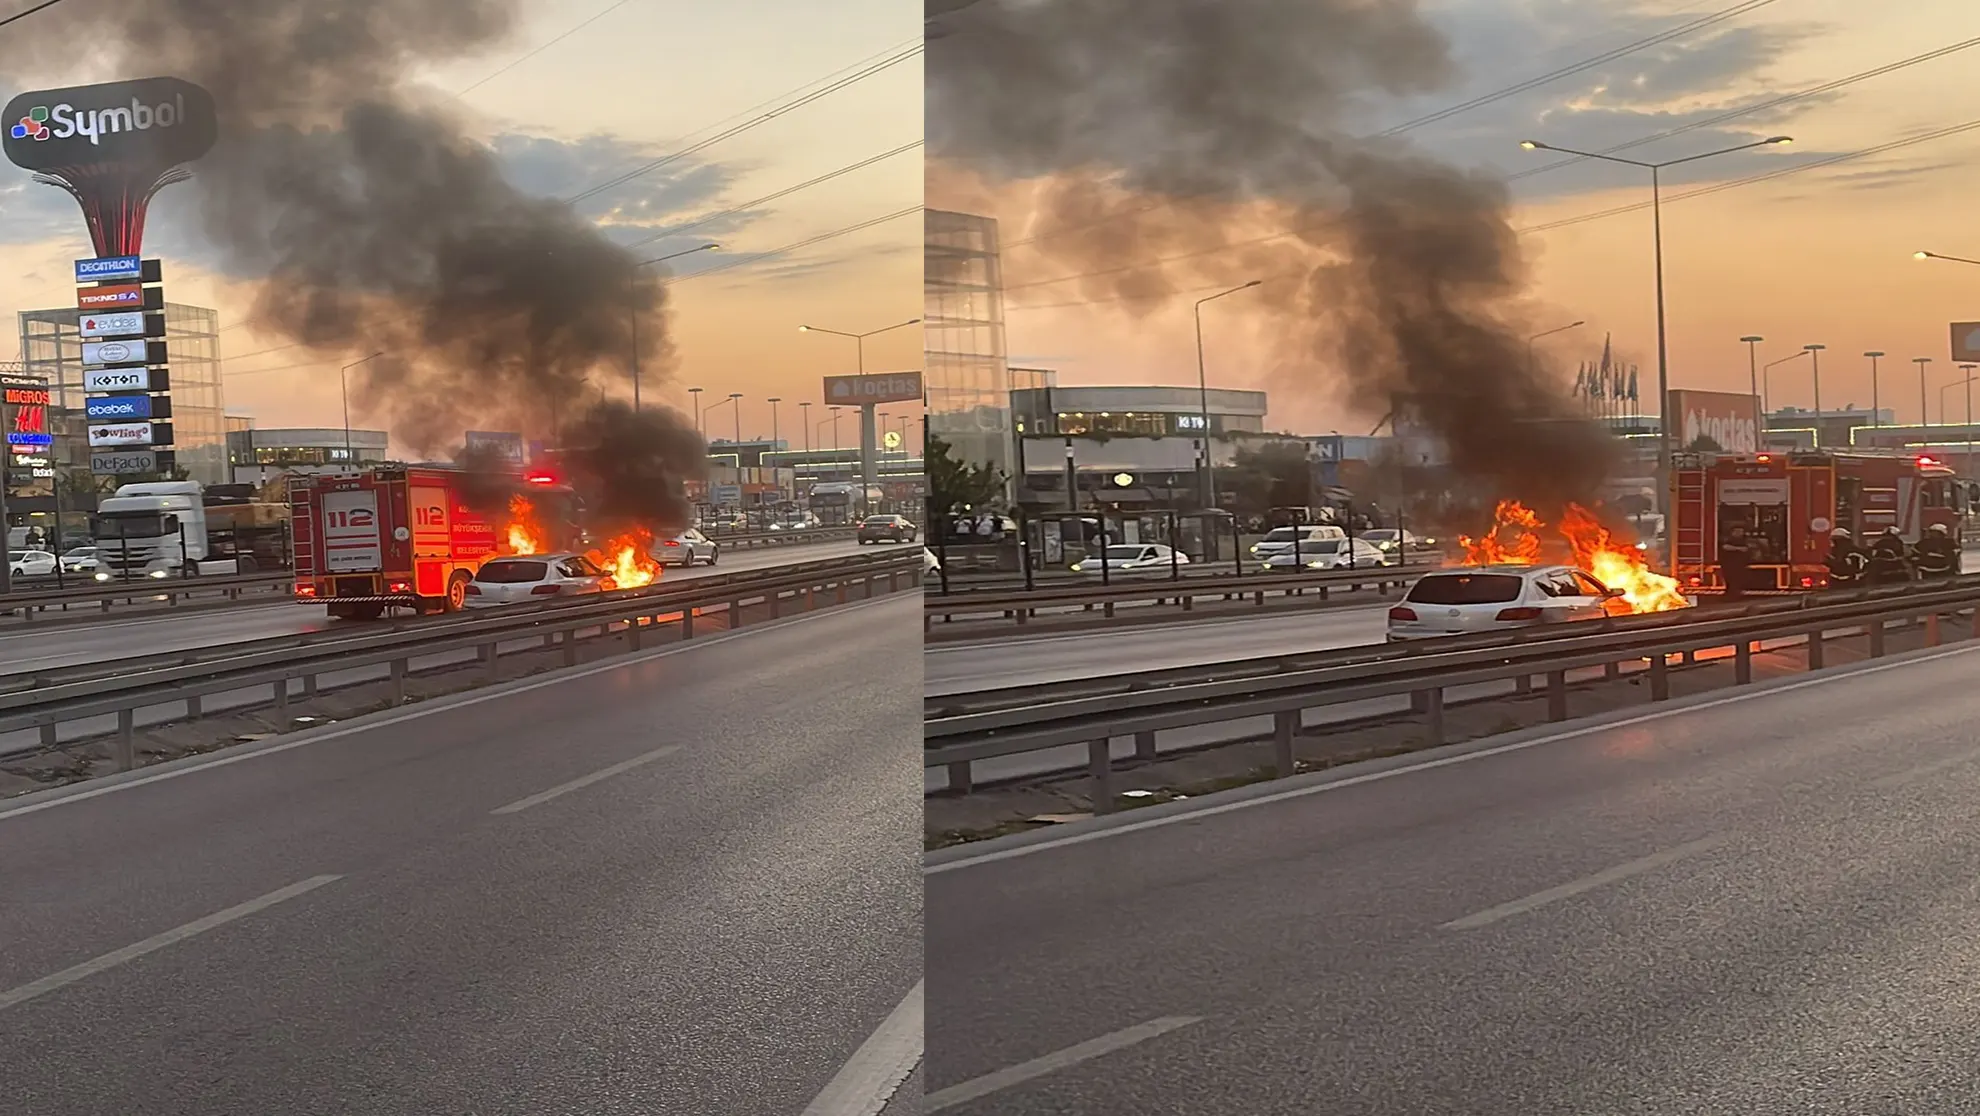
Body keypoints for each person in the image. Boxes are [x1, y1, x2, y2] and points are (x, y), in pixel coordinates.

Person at [1717, 522, 1752, 599]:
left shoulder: (1745, 540)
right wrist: (1738, 549)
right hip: (1728, 563)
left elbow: (1747, 548)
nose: (1740, 533)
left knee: (1738, 579)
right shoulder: (1728, 540)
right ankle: (1730, 593)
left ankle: (1735, 593)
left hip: (1740, 564)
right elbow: (1725, 547)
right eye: (1737, 531)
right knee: (1729, 578)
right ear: (1732, 532)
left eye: (1741, 531)